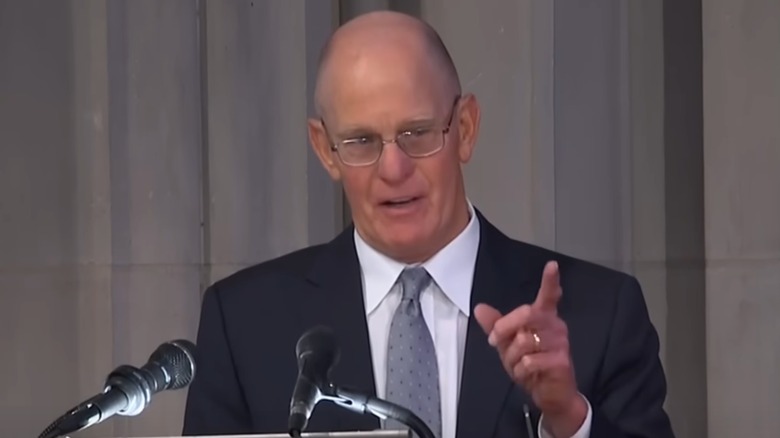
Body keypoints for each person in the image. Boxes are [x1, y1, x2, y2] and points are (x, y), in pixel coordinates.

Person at [182, 10, 675, 438]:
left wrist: (568, 418)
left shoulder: (598, 313)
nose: (393, 169)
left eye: (416, 134)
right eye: (360, 142)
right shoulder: (246, 324)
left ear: (464, 129)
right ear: (324, 149)